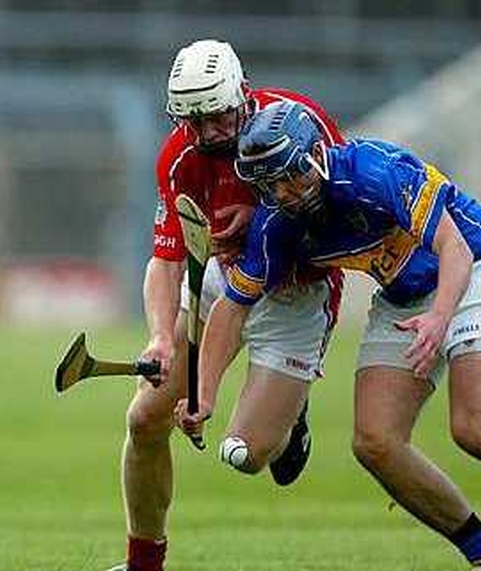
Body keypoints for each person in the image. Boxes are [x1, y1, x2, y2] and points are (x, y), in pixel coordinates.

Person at [175, 100, 481, 569]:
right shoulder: (274, 223)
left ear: (316, 154)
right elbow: (232, 309)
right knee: (376, 443)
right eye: (268, 185)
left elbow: (454, 248)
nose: (284, 192)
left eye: (290, 174)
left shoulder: (374, 170)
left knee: (478, 431)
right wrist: (205, 395)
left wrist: (439, 320)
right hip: (405, 297)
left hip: (475, 270)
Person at [109, 40, 343, 571]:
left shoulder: (299, 123)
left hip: (293, 293)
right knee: (146, 418)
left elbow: (337, 216)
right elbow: (165, 259)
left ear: (241, 93)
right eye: (195, 121)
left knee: (249, 456)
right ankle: (144, 562)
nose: (209, 132)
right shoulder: (179, 156)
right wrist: (161, 337)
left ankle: (288, 420)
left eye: (216, 116)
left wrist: (263, 223)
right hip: (220, 282)